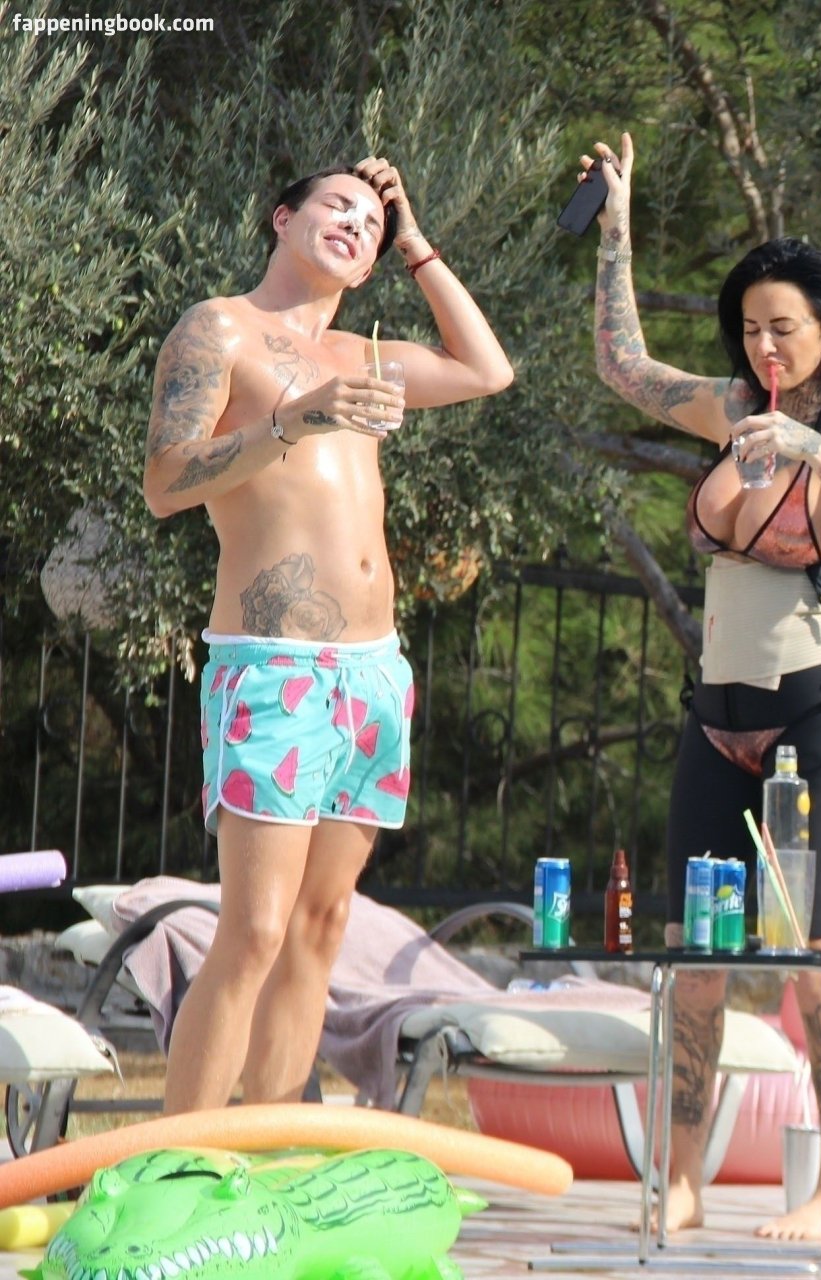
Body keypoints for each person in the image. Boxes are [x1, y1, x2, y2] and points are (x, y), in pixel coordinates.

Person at [585, 133, 821, 1241]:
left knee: (813, 957)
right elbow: (623, 367)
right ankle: (681, 1177)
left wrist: (816, 456)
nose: (763, 344)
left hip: (818, 714)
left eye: (783, 325)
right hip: (716, 717)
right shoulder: (731, 406)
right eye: (748, 327)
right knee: (693, 960)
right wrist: (616, 230)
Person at [142, 158, 514, 1114]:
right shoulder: (220, 328)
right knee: (254, 932)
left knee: (320, 926)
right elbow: (165, 483)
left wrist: (416, 237)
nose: (355, 222)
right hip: (274, 666)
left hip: (373, 675)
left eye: (370, 224)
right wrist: (288, 423)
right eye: (336, 206)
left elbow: (487, 369)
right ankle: (177, 1156)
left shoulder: (362, 353)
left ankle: (272, 1146)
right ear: (283, 218)